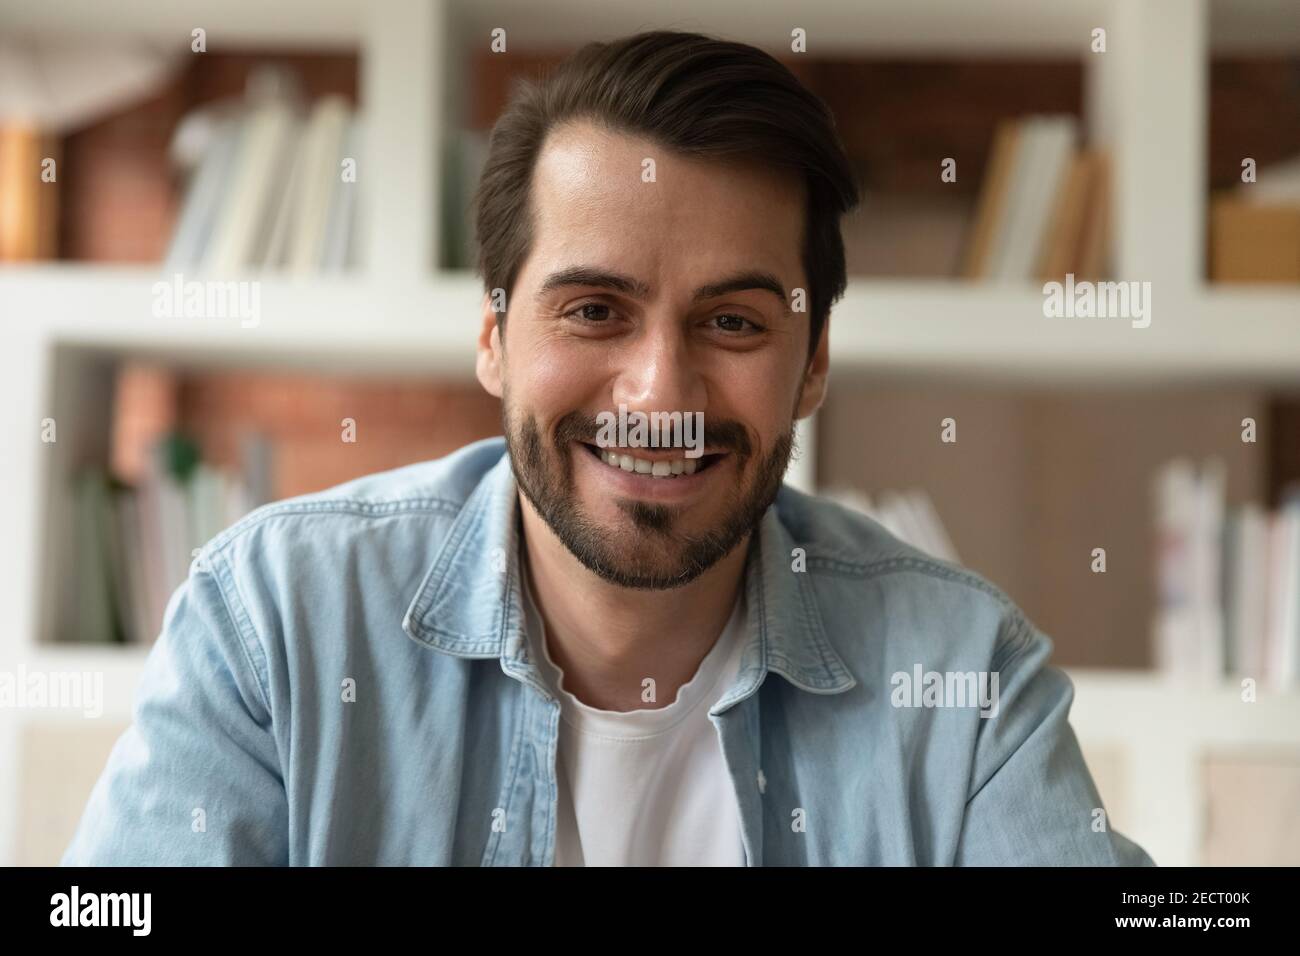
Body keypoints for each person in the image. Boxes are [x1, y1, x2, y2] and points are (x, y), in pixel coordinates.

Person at [63, 30, 1153, 866]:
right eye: (593, 310)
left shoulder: (963, 670)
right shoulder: (271, 621)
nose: (658, 391)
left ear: (812, 360)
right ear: (494, 332)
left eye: (731, 322)